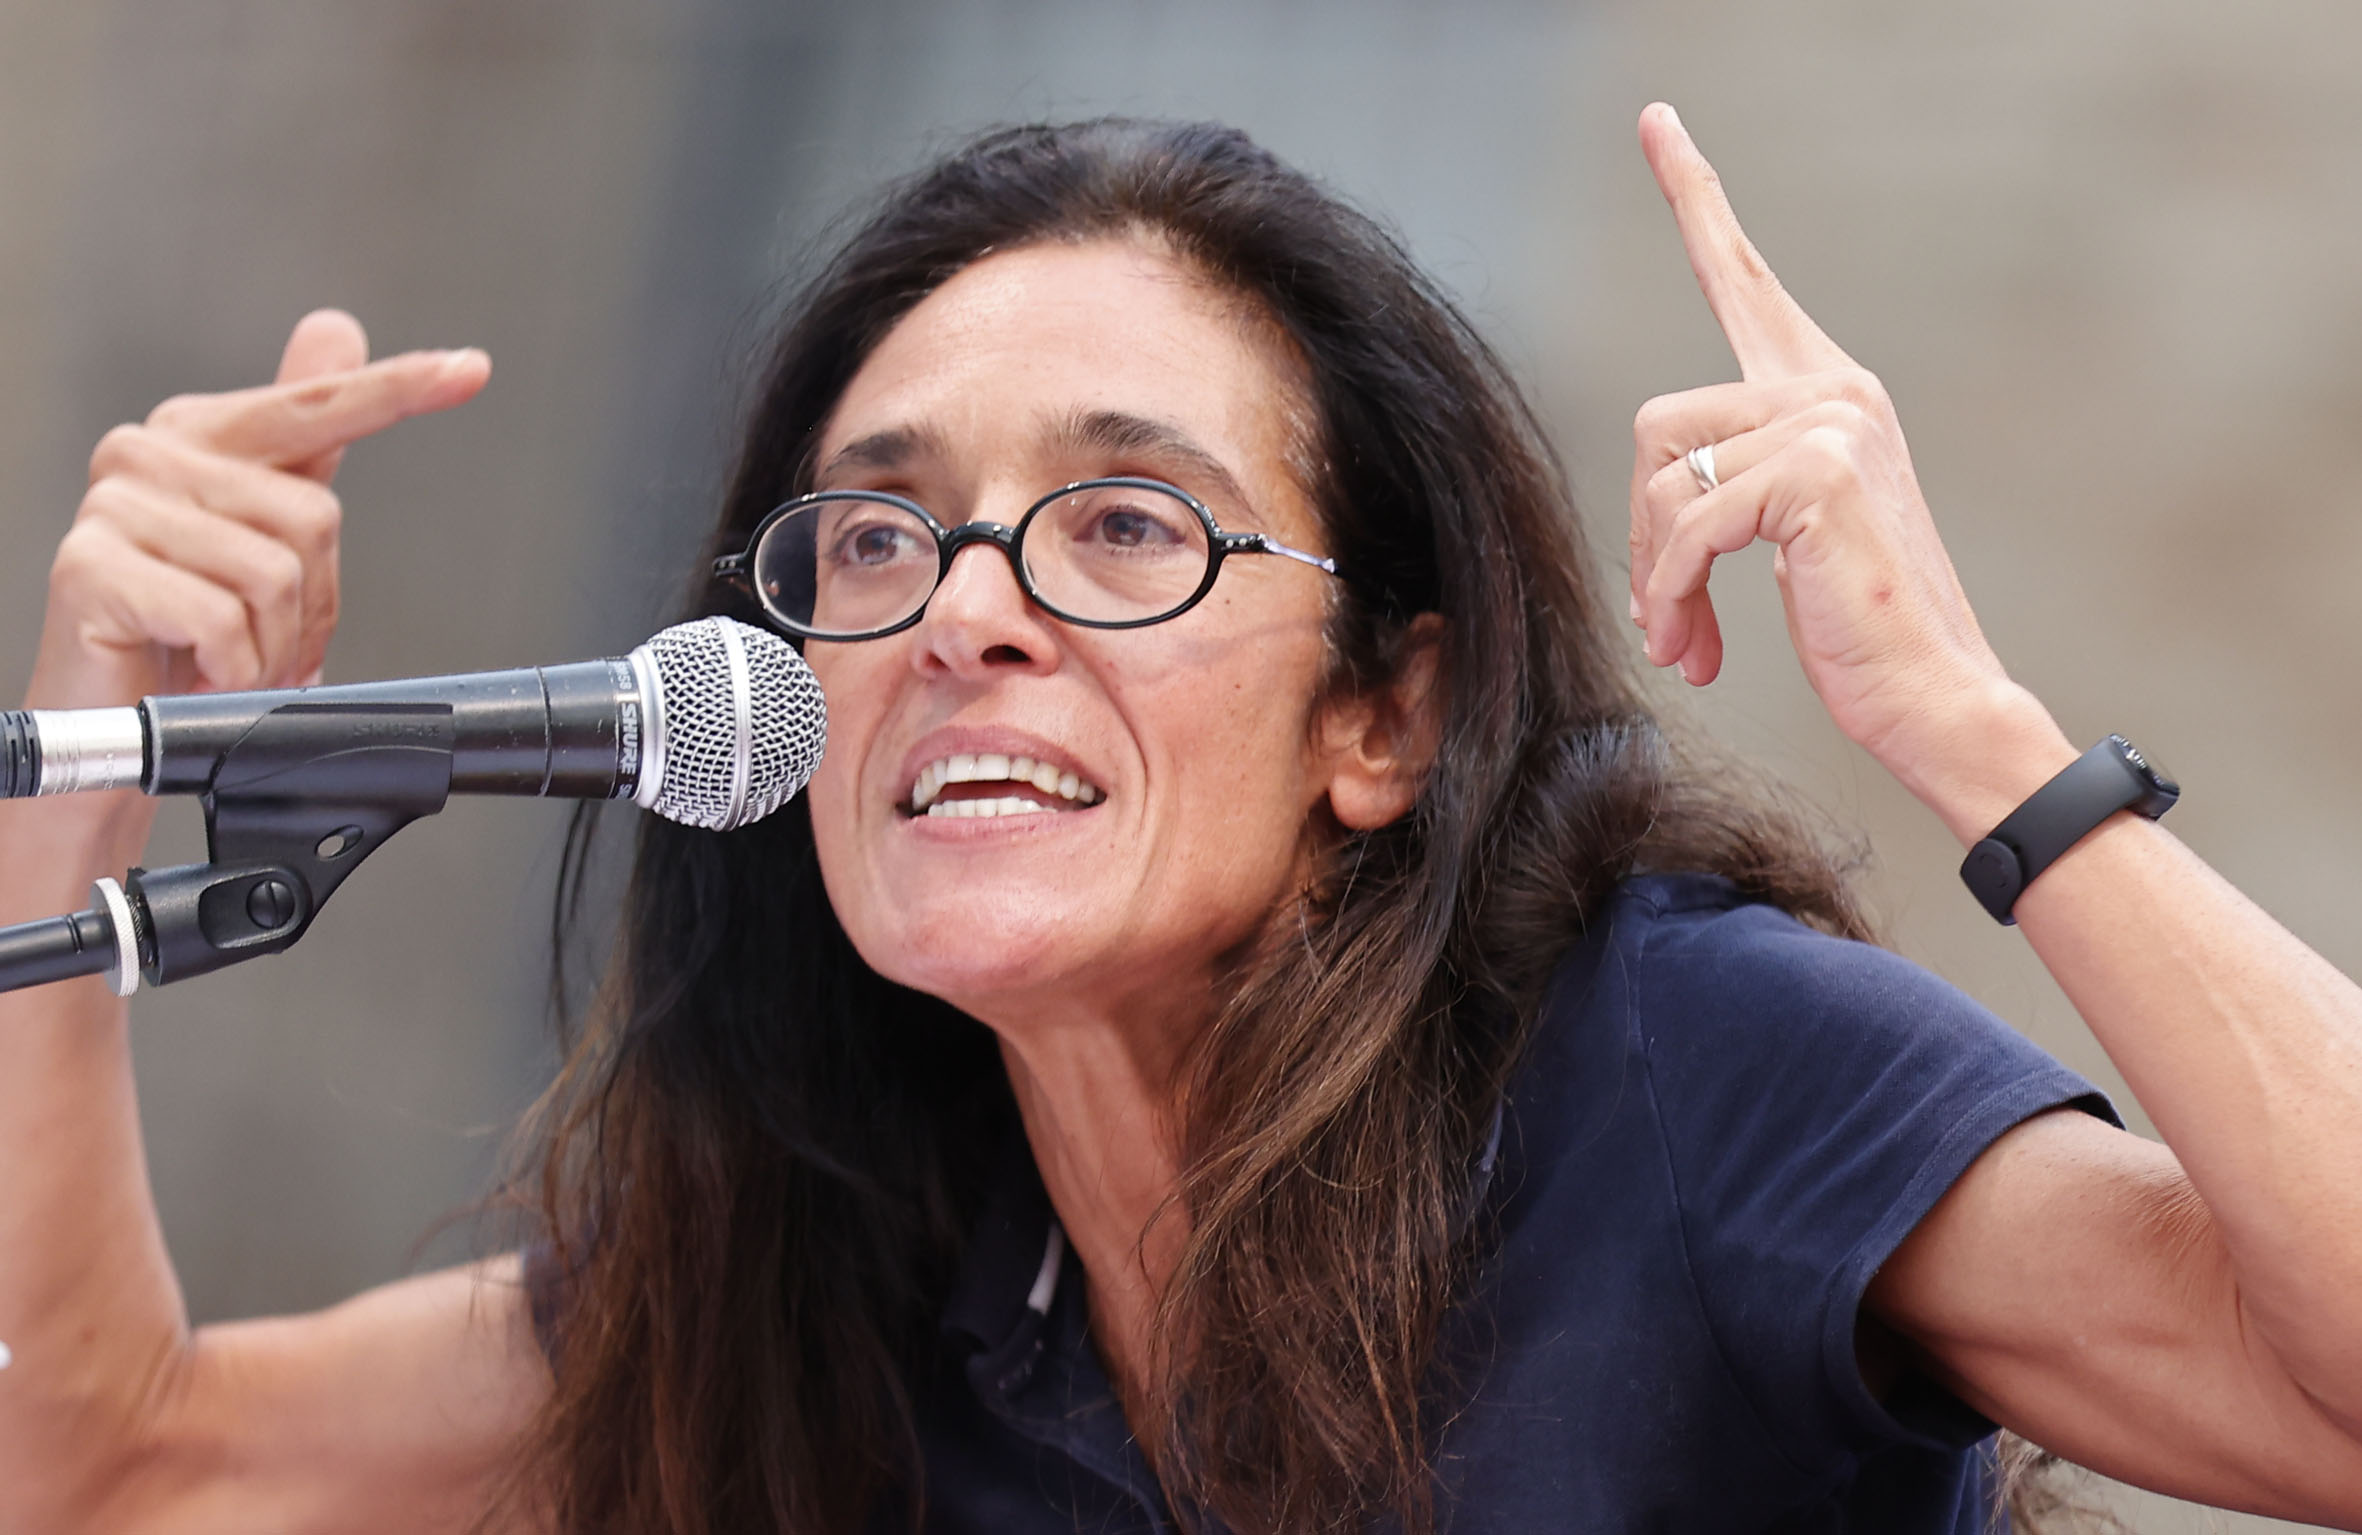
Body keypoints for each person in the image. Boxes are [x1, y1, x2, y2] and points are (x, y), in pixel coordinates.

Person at [0, 104, 2357, 1534]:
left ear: (1382, 716)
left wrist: (1968, 731)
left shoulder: (1670, 1073)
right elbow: (110, 1474)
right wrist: (83, 756)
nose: (962, 615)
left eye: (1124, 527)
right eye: (877, 534)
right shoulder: (839, 1246)